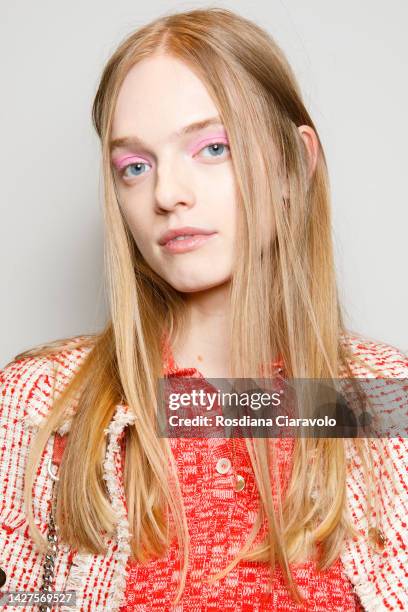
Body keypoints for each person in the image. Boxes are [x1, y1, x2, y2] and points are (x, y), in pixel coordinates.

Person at [0, 7, 407, 611]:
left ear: (296, 163)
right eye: (134, 167)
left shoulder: (381, 402)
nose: (167, 194)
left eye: (212, 148)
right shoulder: (39, 406)